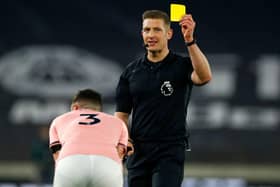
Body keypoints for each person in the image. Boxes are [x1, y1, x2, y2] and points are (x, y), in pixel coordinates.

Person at [115, 10, 212, 187]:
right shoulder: (130, 72)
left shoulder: (182, 65)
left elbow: (204, 77)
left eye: (157, 30)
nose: (151, 35)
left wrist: (190, 41)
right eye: (147, 30)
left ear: (169, 33)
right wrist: (124, 138)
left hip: (170, 149)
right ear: (142, 33)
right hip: (139, 151)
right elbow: (121, 115)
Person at [49, 89, 128, 187]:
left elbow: (57, 154)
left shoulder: (58, 120)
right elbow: (120, 153)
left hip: (71, 163)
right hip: (107, 165)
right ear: (98, 109)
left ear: (75, 107)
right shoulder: (118, 122)